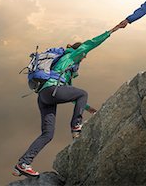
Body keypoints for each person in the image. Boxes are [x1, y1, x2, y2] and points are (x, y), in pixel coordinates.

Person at [13, 27, 119, 177]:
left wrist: (87, 108)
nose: (83, 59)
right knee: (83, 93)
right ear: (79, 52)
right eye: (83, 57)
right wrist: (112, 31)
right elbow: (91, 43)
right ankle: (76, 126)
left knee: (47, 134)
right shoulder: (72, 56)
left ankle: (22, 164)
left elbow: (68, 94)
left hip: (44, 96)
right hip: (52, 91)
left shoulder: (65, 68)